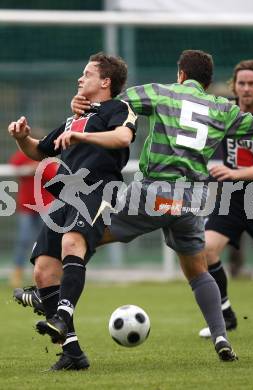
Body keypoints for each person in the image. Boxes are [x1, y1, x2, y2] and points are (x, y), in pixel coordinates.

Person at [16, 49, 253, 366]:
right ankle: (221, 336)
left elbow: (120, 103)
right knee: (197, 269)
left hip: (155, 192)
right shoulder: (223, 108)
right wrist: (79, 107)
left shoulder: (161, 92)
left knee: (83, 235)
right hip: (191, 200)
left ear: (180, 74)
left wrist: (85, 104)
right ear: (209, 83)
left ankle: (52, 298)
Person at [9, 52, 137, 371]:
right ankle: (73, 354)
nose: (80, 79)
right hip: (66, 195)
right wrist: (22, 138)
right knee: (43, 271)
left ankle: (62, 315)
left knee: (71, 243)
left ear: (105, 82)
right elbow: (39, 151)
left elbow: (123, 137)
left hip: (98, 189)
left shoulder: (116, 109)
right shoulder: (73, 118)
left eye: (87, 74)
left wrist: (82, 135)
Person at [198, 59, 253, 338]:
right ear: (234, 86)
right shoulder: (225, 111)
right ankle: (226, 314)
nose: (246, 89)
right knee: (205, 249)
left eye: (252, 83)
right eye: (241, 83)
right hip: (233, 198)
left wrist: (236, 173)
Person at [9, 148, 57, 287]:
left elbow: (51, 174)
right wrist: (34, 168)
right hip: (26, 207)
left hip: (45, 206)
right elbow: (15, 166)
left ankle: (42, 273)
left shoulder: (47, 158)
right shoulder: (23, 154)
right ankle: (17, 274)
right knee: (23, 241)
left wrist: (35, 168)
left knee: (46, 240)